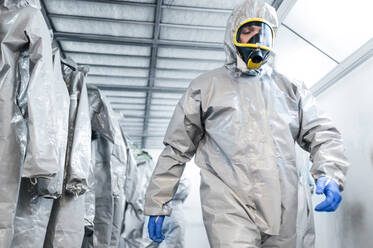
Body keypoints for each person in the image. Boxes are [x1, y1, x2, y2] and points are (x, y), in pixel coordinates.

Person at [144, 0, 349, 247]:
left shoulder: (291, 89)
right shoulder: (206, 87)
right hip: (228, 207)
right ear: (234, 36)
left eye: (261, 32)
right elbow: (176, 148)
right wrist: (158, 199)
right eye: (247, 31)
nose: (255, 39)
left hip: (283, 206)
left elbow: (323, 133)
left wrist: (329, 173)